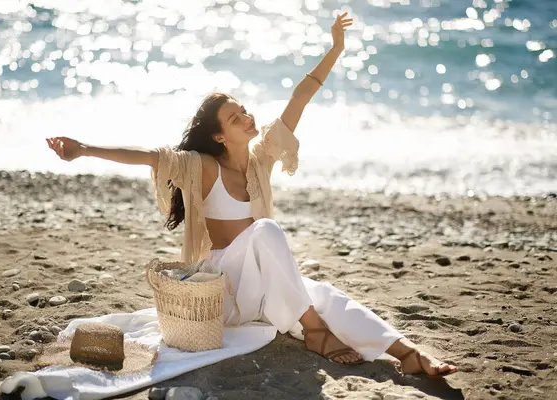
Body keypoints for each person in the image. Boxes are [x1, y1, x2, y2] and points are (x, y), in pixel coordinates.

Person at [46, 12, 457, 377]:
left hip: (260, 286)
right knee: (265, 230)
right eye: (234, 117)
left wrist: (335, 48)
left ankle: (406, 353)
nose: (247, 117)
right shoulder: (203, 166)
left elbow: (301, 96)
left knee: (325, 294)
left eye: (244, 110)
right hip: (225, 290)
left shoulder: (261, 161)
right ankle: (315, 333)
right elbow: (150, 157)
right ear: (219, 135)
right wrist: (84, 150)